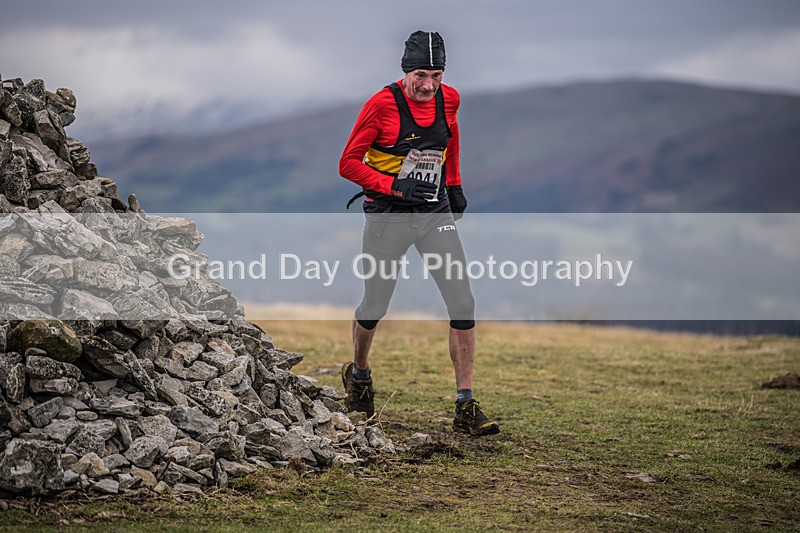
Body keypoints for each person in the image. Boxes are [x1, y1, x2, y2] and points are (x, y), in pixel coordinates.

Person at [338, 30, 500, 436]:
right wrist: (395, 187)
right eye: (421, 76)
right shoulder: (381, 105)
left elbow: (450, 139)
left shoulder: (450, 99)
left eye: (437, 76)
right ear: (406, 72)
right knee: (376, 303)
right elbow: (348, 163)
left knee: (462, 301)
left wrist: (455, 185)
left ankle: (465, 404)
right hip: (387, 214)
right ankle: (359, 375)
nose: (429, 86)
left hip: (433, 212)